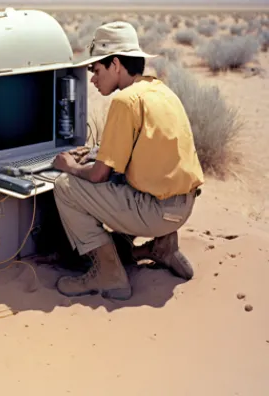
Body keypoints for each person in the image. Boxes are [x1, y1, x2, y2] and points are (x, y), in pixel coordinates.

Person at [52, 21, 204, 300]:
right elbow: (147, 152)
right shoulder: (159, 91)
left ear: (116, 65)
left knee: (65, 187)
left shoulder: (125, 102)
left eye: (97, 70)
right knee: (123, 177)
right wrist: (96, 153)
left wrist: (70, 166)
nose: (94, 80)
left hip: (157, 213)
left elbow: (98, 176)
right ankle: (164, 248)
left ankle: (108, 274)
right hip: (183, 208)